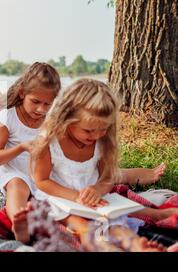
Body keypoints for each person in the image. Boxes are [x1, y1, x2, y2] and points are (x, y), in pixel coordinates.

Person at [30, 79, 177, 251]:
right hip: (60, 201)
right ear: (66, 118)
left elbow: (107, 178)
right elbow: (42, 181)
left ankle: (138, 245)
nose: (97, 135)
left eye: (104, 129)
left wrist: (97, 190)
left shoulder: (101, 142)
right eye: (88, 130)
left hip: (94, 201)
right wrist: (76, 197)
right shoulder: (48, 143)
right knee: (84, 227)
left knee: (115, 224)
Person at [0, 62, 61, 242]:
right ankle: (18, 221)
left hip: (42, 171)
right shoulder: (8, 117)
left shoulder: (51, 119)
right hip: (14, 170)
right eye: (35, 102)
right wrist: (21, 147)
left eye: (47, 104)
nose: (41, 109)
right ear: (22, 93)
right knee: (18, 186)